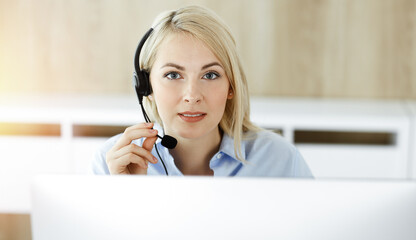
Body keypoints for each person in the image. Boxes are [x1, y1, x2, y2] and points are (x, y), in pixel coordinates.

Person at [92, 5, 313, 177]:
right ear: (146, 86)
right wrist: (124, 196)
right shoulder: (112, 162)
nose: (192, 96)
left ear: (231, 86)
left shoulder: (280, 159)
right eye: (173, 75)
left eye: (210, 75)